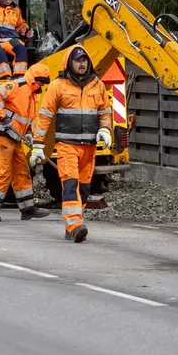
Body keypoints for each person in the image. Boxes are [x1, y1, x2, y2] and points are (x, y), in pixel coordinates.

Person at [30, 45, 112, 243]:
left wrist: (105, 130)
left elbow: (105, 112)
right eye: (77, 61)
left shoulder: (98, 85)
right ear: (69, 63)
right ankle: (74, 225)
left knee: (84, 188)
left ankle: (75, 222)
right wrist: (38, 144)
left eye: (84, 60)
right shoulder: (58, 86)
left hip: (89, 147)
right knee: (70, 183)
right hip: (67, 145)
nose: (81, 64)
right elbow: (45, 116)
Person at [0, 62, 53, 222]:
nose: (41, 85)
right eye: (40, 81)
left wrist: (28, 133)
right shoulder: (17, 86)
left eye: (43, 82)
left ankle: (27, 209)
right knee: (4, 172)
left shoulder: (34, 94)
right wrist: (3, 118)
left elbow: (28, 118)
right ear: (33, 78)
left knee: (22, 171)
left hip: (15, 136)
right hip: (1, 133)